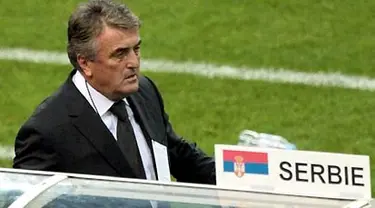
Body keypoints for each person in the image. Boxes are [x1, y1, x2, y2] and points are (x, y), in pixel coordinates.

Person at [12, 0, 216, 186]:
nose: (134, 63)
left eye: (136, 49)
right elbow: (26, 199)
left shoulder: (144, 91)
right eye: (120, 54)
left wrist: (235, 181)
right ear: (85, 63)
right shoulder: (47, 130)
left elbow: (174, 153)